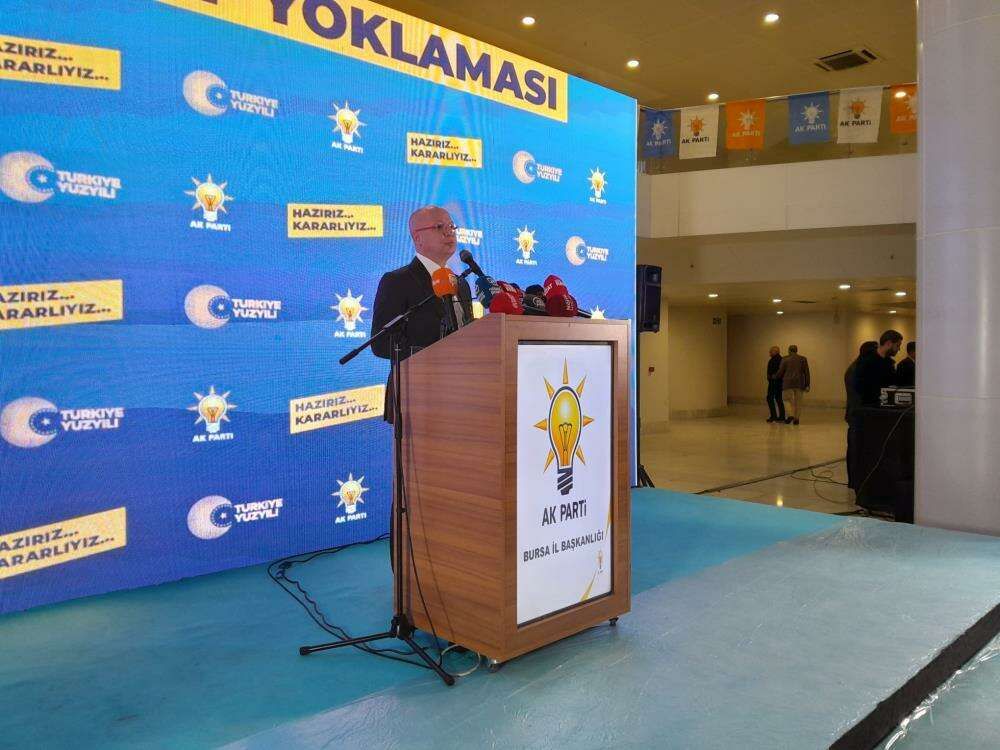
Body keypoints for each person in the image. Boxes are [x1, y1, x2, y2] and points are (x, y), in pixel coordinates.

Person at [371, 205, 474, 423]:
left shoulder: (461, 284)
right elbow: (380, 344)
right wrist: (436, 354)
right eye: (439, 227)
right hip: (416, 397)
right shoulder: (397, 281)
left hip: (461, 394)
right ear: (418, 238)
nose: (449, 233)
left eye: (451, 227)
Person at [845, 341, 878, 490]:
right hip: (858, 415)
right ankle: (855, 481)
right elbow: (858, 395)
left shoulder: (857, 367)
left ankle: (856, 480)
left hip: (857, 414)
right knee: (855, 449)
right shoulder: (857, 369)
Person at [854, 330, 903, 406]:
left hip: (884, 404)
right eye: (897, 345)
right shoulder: (867, 360)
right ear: (888, 343)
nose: (899, 349)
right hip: (870, 406)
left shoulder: (889, 363)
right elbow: (860, 387)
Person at [775, 344, 810, 425]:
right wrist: (807, 384)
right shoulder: (803, 359)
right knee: (798, 402)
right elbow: (806, 373)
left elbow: (780, 371)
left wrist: (775, 376)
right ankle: (796, 419)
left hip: (787, 383)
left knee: (786, 400)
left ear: (789, 350)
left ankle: (790, 415)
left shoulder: (785, 359)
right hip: (799, 383)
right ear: (796, 350)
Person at [765, 346, 785, 423]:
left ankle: (774, 416)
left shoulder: (774, 360)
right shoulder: (781, 359)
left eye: (771, 351)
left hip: (774, 382)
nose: (769, 353)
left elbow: (775, 372)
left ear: (775, 351)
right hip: (779, 383)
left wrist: (771, 377)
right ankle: (782, 416)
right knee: (778, 399)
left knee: (770, 398)